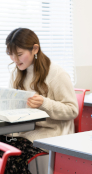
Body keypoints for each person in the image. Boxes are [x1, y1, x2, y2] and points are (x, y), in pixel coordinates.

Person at [0, 28, 78, 174]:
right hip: (23, 132)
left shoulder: (56, 73)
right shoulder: (16, 73)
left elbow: (72, 110)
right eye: (10, 54)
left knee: (12, 157)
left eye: (19, 54)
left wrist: (44, 103)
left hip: (50, 133)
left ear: (35, 49)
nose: (15, 60)